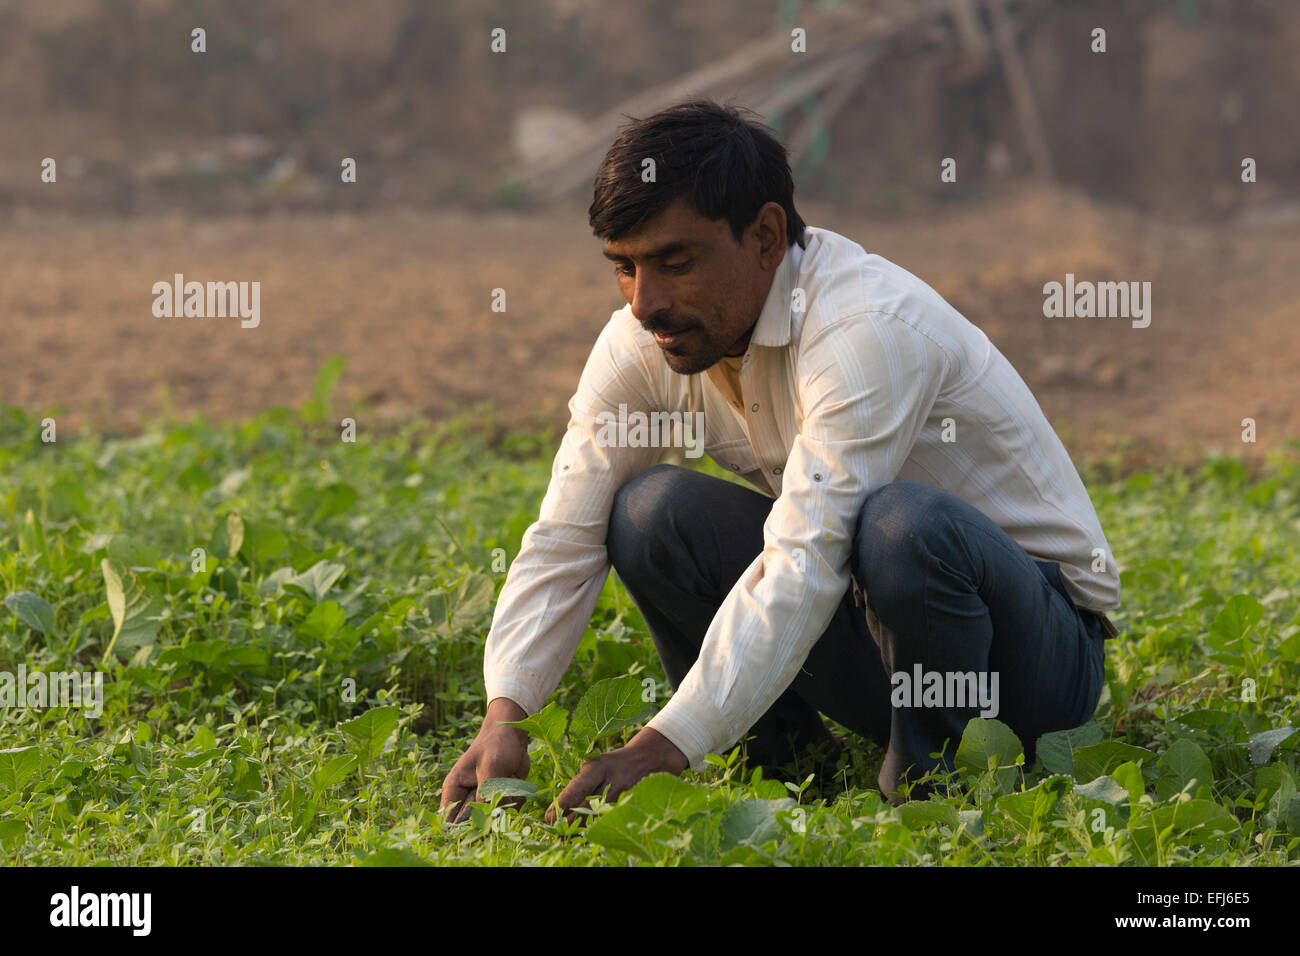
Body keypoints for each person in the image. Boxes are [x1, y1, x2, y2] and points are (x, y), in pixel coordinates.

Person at [438, 99, 1120, 824]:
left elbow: (803, 560)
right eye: (624, 268)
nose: (646, 302)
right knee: (649, 514)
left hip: (1034, 665)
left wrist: (665, 743)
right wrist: (505, 717)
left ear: (765, 236)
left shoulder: (863, 331)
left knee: (901, 525)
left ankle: (939, 789)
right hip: (876, 636)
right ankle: (779, 760)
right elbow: (565, 534)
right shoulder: (647, 342)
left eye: (676, 262)